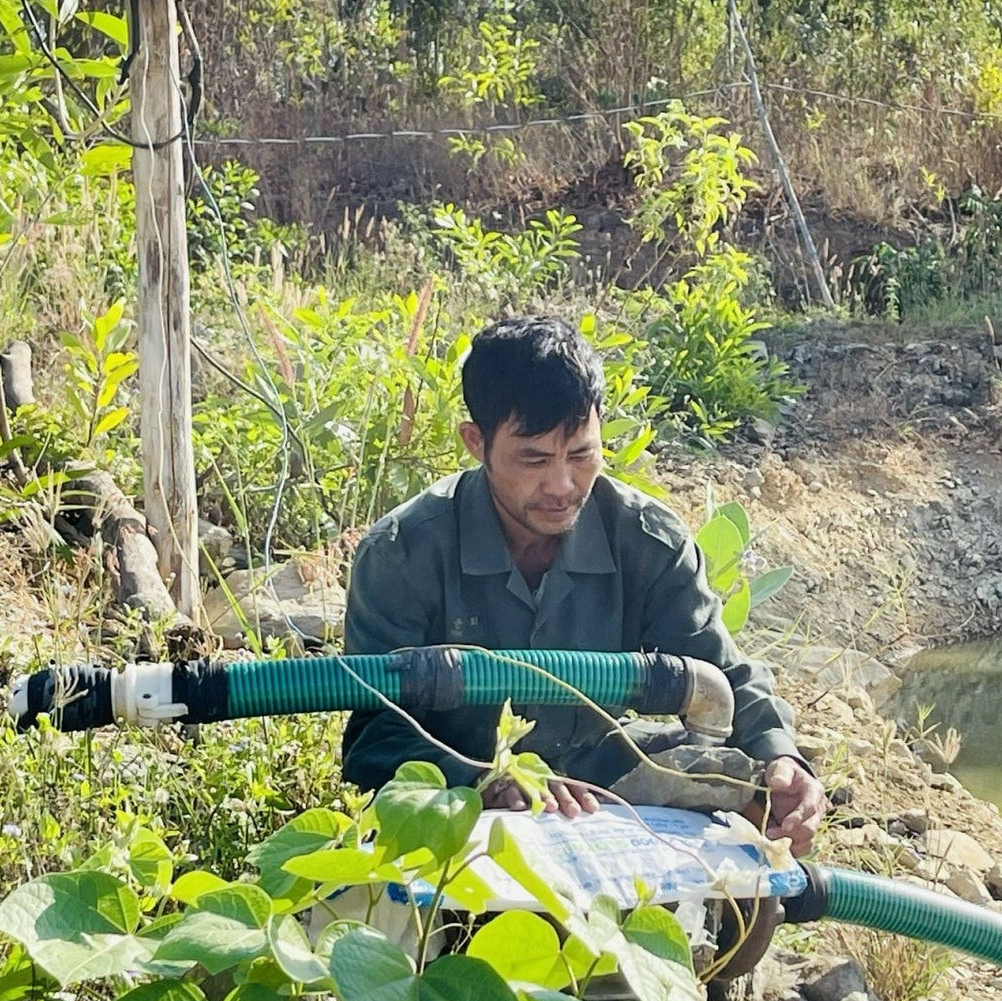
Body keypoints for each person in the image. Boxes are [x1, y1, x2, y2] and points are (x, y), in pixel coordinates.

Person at [341, 314, 826, 856]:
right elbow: (373, 742)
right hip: (464, 804)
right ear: (476, 442)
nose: (562, 485)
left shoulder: (647, 540)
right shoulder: (403, 552)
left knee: (750, 793)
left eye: (581, 454)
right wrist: (488, 781)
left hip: (605, 786)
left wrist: (784, 761)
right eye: (533, 458)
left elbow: (721, 676)